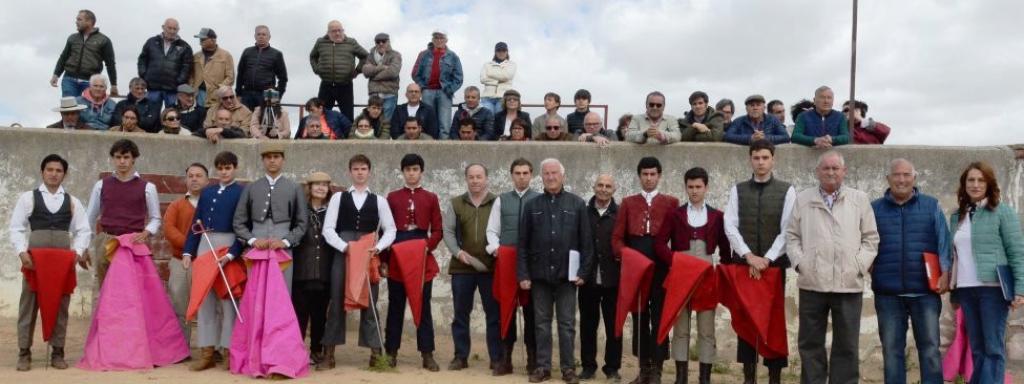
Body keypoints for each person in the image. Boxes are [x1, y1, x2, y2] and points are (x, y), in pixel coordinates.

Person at [786, 151, 879, 384]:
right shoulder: (804, 199)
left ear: (844, 172)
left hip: (848, 284)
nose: (830, 172)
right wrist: (801, 264)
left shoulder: (859, 199)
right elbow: (792, 236)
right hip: (812, 283)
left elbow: (871, 238)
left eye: (835, 168)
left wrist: (859, 265)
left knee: (847, 344)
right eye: (826, 168)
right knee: (810, 343)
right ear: (818, 172)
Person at [870, 158, 950, 384]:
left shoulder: (931, 205)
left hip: (925, 293)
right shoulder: (874, 208)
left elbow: (943, 242)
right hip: (888, 294)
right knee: (892, 352)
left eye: (906, 175)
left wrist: (945, 273)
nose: (901, 180)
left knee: (931, 350)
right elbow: (866, 243)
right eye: (896, 175)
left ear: (914, 178)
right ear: (888, 179)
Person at [722, 139, 796, 384]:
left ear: (773, 159)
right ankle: (749, 378)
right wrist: (749, 256)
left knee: (773, 323)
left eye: (765, 157)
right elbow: (730, 225)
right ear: (750, 159)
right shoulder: (738, 189)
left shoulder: (787, 190)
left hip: (773, 267)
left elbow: (788, 229)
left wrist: (766, 259)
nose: (761, 162)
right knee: (746, 318)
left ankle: (774, 377)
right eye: (756, 158)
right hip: (744, 264)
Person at [9, 154, 91, 371]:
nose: (54, 174)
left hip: (62, 263)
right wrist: (21, 252)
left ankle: (58, 351)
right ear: (42, 172)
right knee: (29, 305)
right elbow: (16, 227)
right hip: (35, 262)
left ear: (64, 174)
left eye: (58, 170)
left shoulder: (73, 201)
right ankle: (24, 352)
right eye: (50, 170)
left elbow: (83, 230)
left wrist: (78, 252)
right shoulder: (28, 198)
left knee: (61, 306)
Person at [518, 158, 593, 384]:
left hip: (567, 278)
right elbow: (522, 243)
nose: (551, 177)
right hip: (539, 277)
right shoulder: (532, 205)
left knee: (567, 324)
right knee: (541, 324)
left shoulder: (577, 204)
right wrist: (523, 274)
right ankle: (543, 367)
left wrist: (584, 272)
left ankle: (568, 369)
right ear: (541, 177)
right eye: (547, 173)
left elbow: (586, 242)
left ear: (563, 176)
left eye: (554, 173)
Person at [948, 161, 1024, 383]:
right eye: (971, 180)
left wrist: (1020, 288)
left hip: (993, 289)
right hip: (966, 290)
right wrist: (954, 292)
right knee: (977, 348)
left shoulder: (1002, 212)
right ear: (964, 185)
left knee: (992, 348)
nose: (975, 184)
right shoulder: (957, 216)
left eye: (981, 180)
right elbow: (955, 257)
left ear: (989, 184)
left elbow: (1017, 251)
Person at [654, 167, 730, 384]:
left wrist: (722, 274)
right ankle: (681, 378)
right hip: (681, 275)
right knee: (681, 328)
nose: (694, 191)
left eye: (698, 187)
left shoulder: (717, 216)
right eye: (690, 187)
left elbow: (725, 250)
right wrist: (675, 262)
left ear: (706, 187)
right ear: (685, 187)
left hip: (707, 276)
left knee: (707, 329)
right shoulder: (675, 214)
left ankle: (704, 378)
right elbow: (660, 244)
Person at [321, 154, 397, 368]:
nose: (360, 172)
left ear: (369, 172)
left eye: (363, 169)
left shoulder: (380, 200)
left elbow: (391, 229)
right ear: (350, 172)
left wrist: (379, 248)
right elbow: (328, 229)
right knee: (336, 301)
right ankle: (329, 354)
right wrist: (345, 247)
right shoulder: (338, 198)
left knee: (370, 301)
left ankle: (375, 353)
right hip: (343, 252)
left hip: (368, 253)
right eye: (356, 169)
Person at [611, 157, 679, 384]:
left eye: (653, 174)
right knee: (640, 316)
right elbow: (618, 238)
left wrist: (674, 263)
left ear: (659, 175)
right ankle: (644, 368)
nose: (649, 178)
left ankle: (657, 368)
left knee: (660, 317)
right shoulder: (628, 203)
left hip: (661, 266)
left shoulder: (671, 202)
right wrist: (627, 257)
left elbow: (676, 238)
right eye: (645, 174)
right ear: (639, 176)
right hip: (637, 265)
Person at [182, 152, 245, 371]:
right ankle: (207, 351)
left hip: (227, 247)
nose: (224, 172)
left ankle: (228, 350)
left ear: (235, 168)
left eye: (228, 168)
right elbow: (196, 224)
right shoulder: (207, 193)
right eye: (220, 168)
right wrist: (189, 252)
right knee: (205, 300)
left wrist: (233, 253)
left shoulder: (241, 192)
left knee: (228, 301)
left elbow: (243, 227)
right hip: (204, 246)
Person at [384, 154, 443, 371]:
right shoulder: (392, 197)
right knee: (395, 305)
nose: (411, 173)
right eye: (408, 169)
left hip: (420, 250)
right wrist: (384, 260)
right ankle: (391, 352)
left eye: (415, 169)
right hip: (398, 251)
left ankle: (427, 354)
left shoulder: (431, 197)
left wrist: (428, 246)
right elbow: (385, 230)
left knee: (423, 306)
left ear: (421, 172)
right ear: (402, 172)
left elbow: (437, 229)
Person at [442, 163, 502, 372]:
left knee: (494, 314)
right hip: (462, 268)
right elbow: (448, 232)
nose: (475, 180)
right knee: (461, 313)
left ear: (486, 179)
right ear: (466, 179)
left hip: (491, 268)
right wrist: (458, 253)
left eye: (479, 177)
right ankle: (460, 356)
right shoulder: (456, 203)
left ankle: (496, 358)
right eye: (471, 177)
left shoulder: (498, 202)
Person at [485, 158, 540, 375]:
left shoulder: (539, 199)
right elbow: (491, 231)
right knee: (505, 309)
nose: (521, 177)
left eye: (525, 173)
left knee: (532, 313)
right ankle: (505, 359)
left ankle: (533, 360)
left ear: (531, 174)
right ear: (511, 175)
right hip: (507, 261)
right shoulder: (501, 200)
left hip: (532, 264)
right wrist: (497, 249)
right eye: (517, 173)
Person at [84, 139, 162, 287]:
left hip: (132, 242)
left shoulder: (147, 187)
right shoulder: (101, 185)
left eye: (126, 157)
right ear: (113, 158)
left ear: (133, 159)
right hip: (106, 241)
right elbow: (90, 217)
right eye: (118, 157)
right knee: (105, 288)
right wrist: (85, 246)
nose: (122, 161)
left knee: (131, 289)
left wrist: (146, 233)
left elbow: (155, 218)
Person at [233, 141, 308, 290]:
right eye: (268, 157)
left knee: (281, 291)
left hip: (283, 246)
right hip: (257, 245)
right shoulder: (251, 187)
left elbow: (302, 223)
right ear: (263, 160)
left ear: (283, 160)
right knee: (256, 289)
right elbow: (238, 222)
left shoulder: (294, 188)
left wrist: (286, 242)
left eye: (276, 156)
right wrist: (253, 240)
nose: (272, 160)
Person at [577, 174, 622, 381]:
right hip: (587, 280)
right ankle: (588, 366)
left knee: (614, 326)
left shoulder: (621, 214)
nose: (604, 189)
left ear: (614, 190)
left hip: (614, 280)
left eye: (608, 186)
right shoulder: (583, 213)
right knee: (588, 325)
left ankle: (612, 368)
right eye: (600, 185)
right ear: (593, 187)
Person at [162, 163, 208, 355]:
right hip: (180, 260)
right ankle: (181, 347)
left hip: (206, 262)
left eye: (199, 175)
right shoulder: (176, 205)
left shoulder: (212, 204)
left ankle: (210, 349)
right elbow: (169, 230)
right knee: (180, 304)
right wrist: (191, 245)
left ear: (207, 180)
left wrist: (199, 248)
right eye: (191, 175)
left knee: (208, 306)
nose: (195, 179)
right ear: (186, 179)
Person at [291, 171, 334, 367]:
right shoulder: (299, 211)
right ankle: (297, 350)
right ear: (309, 187)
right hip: (302, 269)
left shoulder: (333, 211)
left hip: (324, 270)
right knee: (300, 313)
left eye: (324, 185)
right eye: (316, 184)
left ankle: (317, 349)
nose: (320, 188)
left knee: (319, 314)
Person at [310, 20, 368, 122]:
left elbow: (366, 56)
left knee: (347, 116)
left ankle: (347, 138)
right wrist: (317, 69)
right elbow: (313, 57)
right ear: (328, 32)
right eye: (334, 31)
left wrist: (357, 71)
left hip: (345, 85)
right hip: (326, 85)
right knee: (321, 115)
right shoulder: (320, 42)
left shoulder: (351, 42)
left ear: (343, 30)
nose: (337, 33)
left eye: (339, 30)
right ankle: (321, 137)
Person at [51, 9, 118, 98]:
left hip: (90, 82)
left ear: (89, 21)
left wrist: (114, 84)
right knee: (69, 109)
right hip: (69, 80)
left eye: (79, 19)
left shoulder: (104, 40)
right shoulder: (72, 38)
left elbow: (110, 64)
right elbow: (64, 57)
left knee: (86, 111)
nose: (76, 22)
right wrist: (56, 75)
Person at [413, 30, 463, 139]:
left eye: (441, 38)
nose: (439, 40)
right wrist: (423, 87)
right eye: (436, 38)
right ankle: (427, 147)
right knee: (427, 122)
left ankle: (443, 152)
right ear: (432, 40)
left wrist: (450, 89)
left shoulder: (453, 56)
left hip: (444, 92)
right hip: (427, 92)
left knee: (444, 125)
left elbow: (459, 77)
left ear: (446, 40)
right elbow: (416, 74)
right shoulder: (424, 55)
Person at [137, 18, 193, 108]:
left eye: (174, 29)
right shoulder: (151, 42)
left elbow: (187, 67)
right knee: (150, 115)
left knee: (172, 115)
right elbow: (142, 60)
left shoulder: (185, 46)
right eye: (169, 28)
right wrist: (144, 75)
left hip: (173, 90)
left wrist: (179, 81)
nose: (172, 31)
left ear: (178, 30)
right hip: (152, 87)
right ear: (163, 27)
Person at [236, 25, 288, 110]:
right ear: (255, 36)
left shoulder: (276, 54)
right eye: (259, 34)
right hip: (247, 94)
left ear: (269, 37)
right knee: (245, 122)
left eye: (264, 34)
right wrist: (238, 94)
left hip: (267, 94)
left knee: (266, 121)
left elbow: (283, 78)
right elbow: (240, 73)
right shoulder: (247, 52)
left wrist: (277, 96)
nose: (261, 36)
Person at [189, 28, 234, 108]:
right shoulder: (196, 56)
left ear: (213, 40)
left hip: (217, 98)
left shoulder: (226, 55)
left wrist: (219, 90)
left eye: (203, 39)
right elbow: (191, 75)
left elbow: (230, 77)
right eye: (200, 39)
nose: (200, 41)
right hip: (197, 96)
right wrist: (192, 89)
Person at [363, 32, 402, 121]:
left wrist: (374, 75)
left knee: (386, 121)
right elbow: (365, 71)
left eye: (383, 41)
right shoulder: (370, 55)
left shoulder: (395, 55)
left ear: (388, 42)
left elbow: (393, 72)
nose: (381, 44)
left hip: (390, 93)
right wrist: (382, 67)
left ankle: (385, 135)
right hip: (374, 92)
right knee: (372, 120)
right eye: (378, 41)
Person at [724, 95, 789, 145]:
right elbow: (728, 136)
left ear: (764, 108)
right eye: (752, 105)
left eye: (758, 105)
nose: (755, 108)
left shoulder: (773, 120)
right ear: (746, 109)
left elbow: (785, 137)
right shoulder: (738, 121)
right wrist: (750, 138)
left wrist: (765, 138)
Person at [480, 42, 516, 112]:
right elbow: (482, 79)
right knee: (488, 121)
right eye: (499, 50)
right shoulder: (487, 64)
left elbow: (507, 76)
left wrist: (490, 74)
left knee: (500, 121)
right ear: (495, 52)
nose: (501, 52)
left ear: (507, 52)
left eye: (503, 50)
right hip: (486, 98)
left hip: (503, 98)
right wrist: (497, 81)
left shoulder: (512, 64)